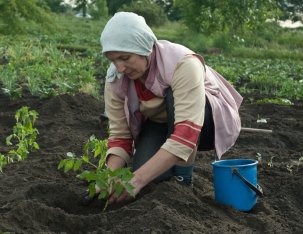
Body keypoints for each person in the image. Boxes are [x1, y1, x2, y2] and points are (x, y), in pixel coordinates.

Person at [100, 12, 243, 205]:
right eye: (113, 60)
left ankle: (183, 180)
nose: (119, 67)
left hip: (208, 121)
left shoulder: (183, 63)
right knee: (150, 176)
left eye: (125, 57)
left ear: (145, 48)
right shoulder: (115, 79)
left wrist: (137, 180)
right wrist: (108, 178)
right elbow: (120, 136)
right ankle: (167, 173)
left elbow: (186, 134)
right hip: (160, 122)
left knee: (171, 98)